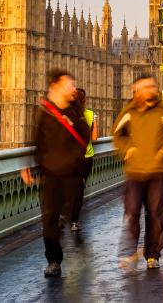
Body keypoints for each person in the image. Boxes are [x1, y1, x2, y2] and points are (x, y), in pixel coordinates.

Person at [21, 70, 89, 278]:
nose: (73, 88)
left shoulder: (75, 110)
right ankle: (53, 260)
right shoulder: (44, 110)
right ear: (56, 86)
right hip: (49, 173)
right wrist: (30, 166)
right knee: (49, 219)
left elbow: (85, 136)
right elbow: (37, 139)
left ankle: (71, 244)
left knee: (68, 213)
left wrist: (75, 160)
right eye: (69, 84)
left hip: (70, 172)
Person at [113, 74, 163, 270]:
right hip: (135, 172)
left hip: (158, 171)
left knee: (155, 215)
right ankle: (130, 251)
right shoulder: (129, 112)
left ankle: (152, 254)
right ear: (136, 90)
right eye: (146, 87)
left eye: (152, 86)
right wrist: (127, 149)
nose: (150, 90)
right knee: (132, 211)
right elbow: (117, 134)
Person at [67, 87, 99, 232]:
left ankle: (63, 213)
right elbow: (94, 138)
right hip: (87, 157)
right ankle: (74, 221)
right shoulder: (92, 114)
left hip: (70, 157)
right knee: (79, 188)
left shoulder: (67, 114)